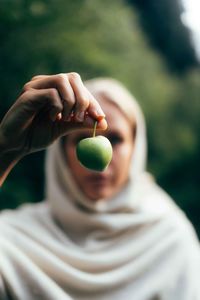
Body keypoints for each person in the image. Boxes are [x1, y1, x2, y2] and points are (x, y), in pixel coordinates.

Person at [0, 73, 199, 300]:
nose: (107, 161)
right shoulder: (14, 238)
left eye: (116, 139)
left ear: (136, 147)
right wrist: (5, 150)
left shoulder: (169, 239)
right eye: (77, 138)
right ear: (62, 153)